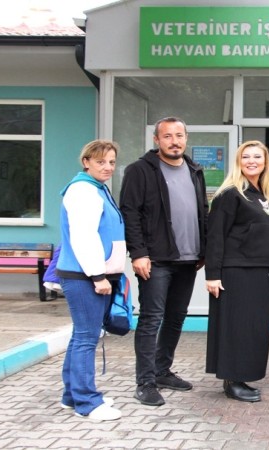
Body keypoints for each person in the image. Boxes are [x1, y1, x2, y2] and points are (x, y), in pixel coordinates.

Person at [120, 117, 208, 407]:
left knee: (175, 317)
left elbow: (202, 209)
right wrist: (138, 253)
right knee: (151, 319)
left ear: (186, 138)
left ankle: (162, 371)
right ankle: (145, 383)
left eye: (179, 135)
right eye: (167, 136)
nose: (174, 141)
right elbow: (130, 213)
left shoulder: (195, 170)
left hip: (188, 259)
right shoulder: (140, 170)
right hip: (156, 259)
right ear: (156, 140)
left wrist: (204, 249)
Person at [205, 140, 269, 403]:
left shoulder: (263, 196)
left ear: (265, 162)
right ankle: (232, 380)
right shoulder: (230, 194)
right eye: (246, 156)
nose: (251, 161)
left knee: (252, 328)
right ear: (239, 161)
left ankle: (242, 375)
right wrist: (213, 274)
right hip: (236, 272)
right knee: (236, 327)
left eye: (257, 156)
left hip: (261, 272)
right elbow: (215, 236)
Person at [56, 139, 125, 421]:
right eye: (100, 162)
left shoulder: (95, 188)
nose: (107, 167)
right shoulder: (83, 191)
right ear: (86, 162)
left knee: (81, 335)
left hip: (90, 274)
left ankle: (71, 395)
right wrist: (98, 276)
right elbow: (84, 236)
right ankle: (87, 402)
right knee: (87, 337)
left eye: (111, 162)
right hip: (85, 276)